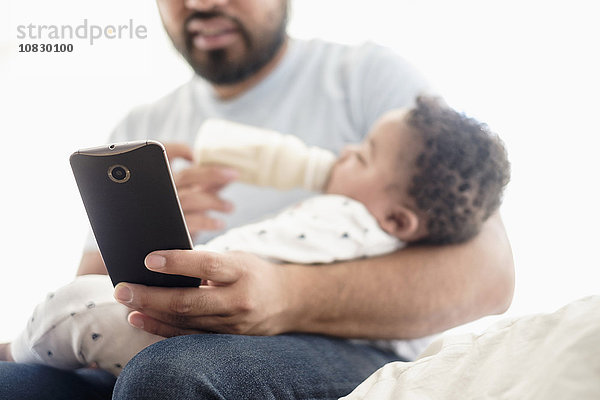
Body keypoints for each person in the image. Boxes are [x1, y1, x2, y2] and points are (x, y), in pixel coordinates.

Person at [0, 1, 514, 399]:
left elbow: (489, 277)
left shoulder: (370, 79)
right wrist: (139, 236)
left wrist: (283, 294)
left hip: (346, 345)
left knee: (172, 376)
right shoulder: (141, 130)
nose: (201, 4)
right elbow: (85, 293)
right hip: (152, 334)